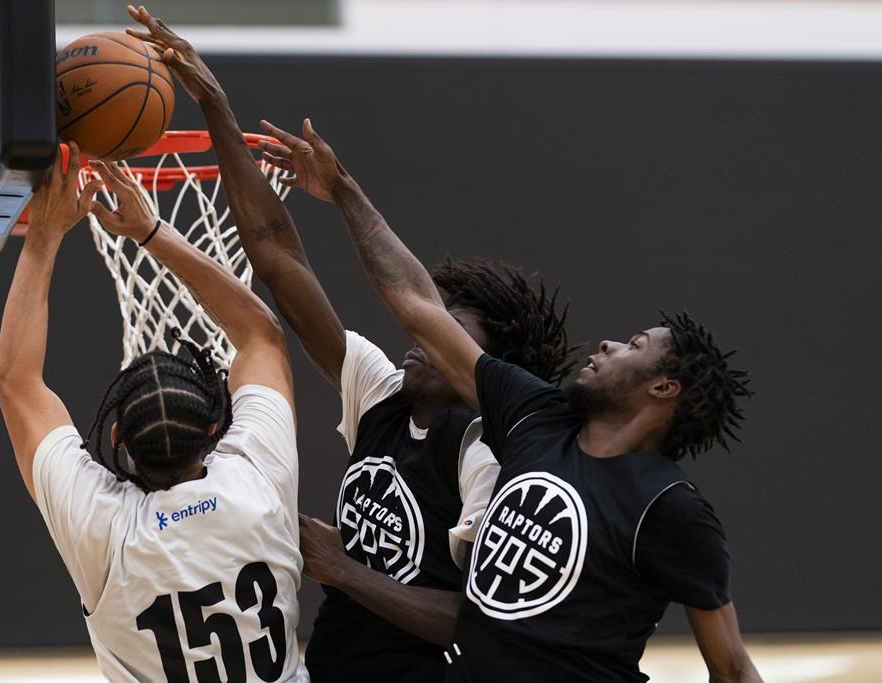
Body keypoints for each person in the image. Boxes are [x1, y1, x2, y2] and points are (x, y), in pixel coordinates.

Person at [121, 9, 571, 681]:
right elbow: (278, 260)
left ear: (489, 357)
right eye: (433, 313)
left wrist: (341, 568)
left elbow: (472, 618)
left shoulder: (487, 451)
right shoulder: (381, 392)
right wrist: (215, 104)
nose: (423, 330)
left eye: (452, 322)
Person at [259, 120, 764, 682]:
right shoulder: (536, 419)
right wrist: (345, 191)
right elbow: (417, 307)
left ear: (664, 388)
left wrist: (346, 570)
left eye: (636, 345)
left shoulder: (671, 508)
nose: (610, 344)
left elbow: (732, 667)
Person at [0, 47, 306, 683]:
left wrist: (46, 235)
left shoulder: (107, 532)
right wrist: (151, 231)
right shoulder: (255, 488)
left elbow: (15, 380)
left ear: (118, 447)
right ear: (217, 429)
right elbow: (262, 338)